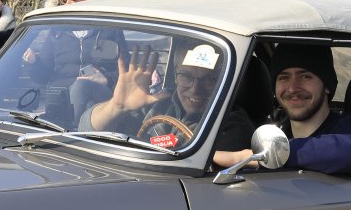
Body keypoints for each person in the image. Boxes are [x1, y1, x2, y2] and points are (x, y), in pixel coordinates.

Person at [218, 43, 351, 175]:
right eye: (284, 77)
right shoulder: (275, 129)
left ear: (327, 86)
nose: (292, 88)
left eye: (305, 76)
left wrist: (246, 157)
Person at [89, 42, 253, 158]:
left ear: (222, 80)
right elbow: (92, 135)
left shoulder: (231, 124)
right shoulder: (154, 104)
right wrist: (116, 107)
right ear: (175, 76)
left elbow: (191, 165)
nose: (196, 89)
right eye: (186, 76)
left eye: (210, 79)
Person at [20, 0, 125, 123]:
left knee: (82, 86)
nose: (68, 2)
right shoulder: (56, 33)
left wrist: (106, 79)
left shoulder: (108, 30)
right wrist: (33, 62)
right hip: (61, 100)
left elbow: (126, 70)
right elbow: (43, 77)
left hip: (101, 97)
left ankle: (72, 129)